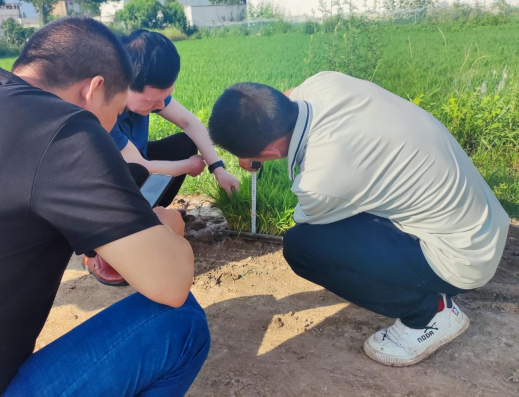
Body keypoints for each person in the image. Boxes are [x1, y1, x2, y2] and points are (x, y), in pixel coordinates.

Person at [0, 17, 210, 397]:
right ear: (93, 90)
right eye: (115, 111)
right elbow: (171, 284)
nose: (110, 128)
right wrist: (168, 227)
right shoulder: (62, 129)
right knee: (181, 323)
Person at [208, 72, 510, 367]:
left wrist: (251, 153)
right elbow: (287, 97)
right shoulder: (325, 83)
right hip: (484, 225)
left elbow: (313, 226)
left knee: (303, 246)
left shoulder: (320, 180)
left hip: (461, 261)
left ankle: (429, 314)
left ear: (270, 151)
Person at [83, 29, 239, 286]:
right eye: (153, 101)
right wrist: (187, 165)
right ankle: (95, 250)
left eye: (163, 99)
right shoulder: (101, 109)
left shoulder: (149, 93)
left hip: (134, 165)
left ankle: (149, 219)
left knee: (184, 144)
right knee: (135, 172)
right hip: (99, 188)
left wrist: (218, 168)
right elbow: (138, 166)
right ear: (124, 83)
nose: (159, 106)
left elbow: (190, 123)